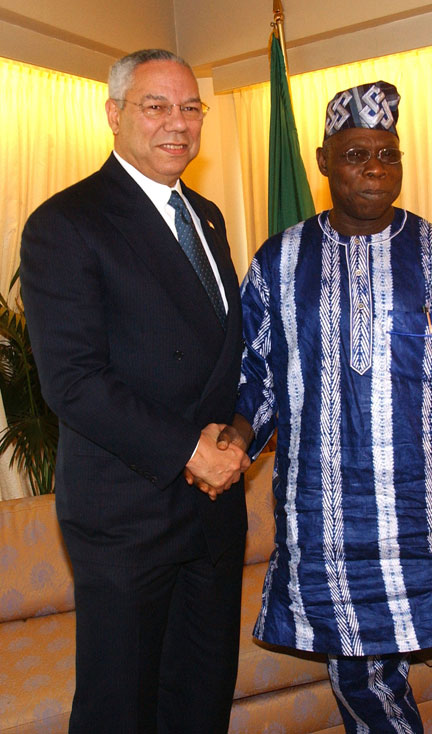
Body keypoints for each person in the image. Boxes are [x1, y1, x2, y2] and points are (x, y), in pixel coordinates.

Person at [220, 81, 432, 733]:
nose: (375, 168)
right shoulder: (280, 260)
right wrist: (232, 441)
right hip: (330, 517)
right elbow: (256, 376)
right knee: (357, 663)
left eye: (388, 153)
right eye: (356, 154)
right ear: (324, 161)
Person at [20, 49, 249, 734]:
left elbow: (229, 353)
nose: (177, 124)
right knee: (119, 708)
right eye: (156, 106)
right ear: (115, 115)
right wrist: (190, 449)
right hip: (126, 515)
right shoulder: (66, 223)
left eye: (190, 108)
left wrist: (237, 435)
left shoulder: (206, 216)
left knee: (202, 698)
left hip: (212, 510)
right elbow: (74, 382)